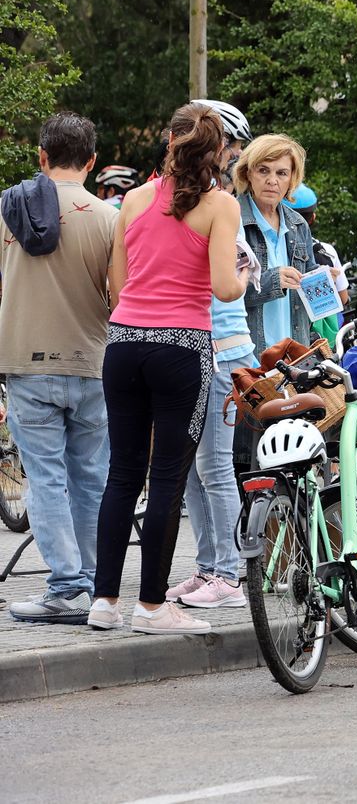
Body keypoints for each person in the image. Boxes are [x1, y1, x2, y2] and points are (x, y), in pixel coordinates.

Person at [88, 102, 250, 634]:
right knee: (168, 479)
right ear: (218, 152)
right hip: (182, 346)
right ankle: (153, 608)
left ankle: (104, 600)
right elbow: (225, 288)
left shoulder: (132, 200)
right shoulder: (219, 205)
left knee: (122, 474)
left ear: (169, 143)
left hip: (125, 343)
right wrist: (245, 276)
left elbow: (116, 284)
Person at [1, 112, 117, 624]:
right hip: (94, 362)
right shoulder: (110, 218)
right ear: (91, 162)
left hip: (26, 361)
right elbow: (121, 297)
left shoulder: (7, 211)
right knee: (93, 479)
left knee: (45, 480)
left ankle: (65, 586)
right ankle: (94, 587)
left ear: (41, 156)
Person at [163, 216, 260, 610]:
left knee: (215, 467)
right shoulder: (195, 228)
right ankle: (208, 569)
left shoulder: (224, 231)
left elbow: (225, 294)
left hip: (224, 358)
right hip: (196, 357)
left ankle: (229, 576)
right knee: (192, 470)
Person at [236, 135, 319, 357]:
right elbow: (221, 293)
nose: (272, 180)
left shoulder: (298, 224)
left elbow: (311, 300)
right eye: (263, 170)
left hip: (295, 355)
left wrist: (321, 280)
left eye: (281, 173)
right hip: (250, 357)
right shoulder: (232, 219)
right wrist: (273, 280)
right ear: (247, 173)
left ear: (292, 179)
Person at [285, 184, 348, 342]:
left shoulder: (277, 250)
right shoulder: (326, 251)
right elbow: (343, 298)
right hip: (317, 338)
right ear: (313, 218)